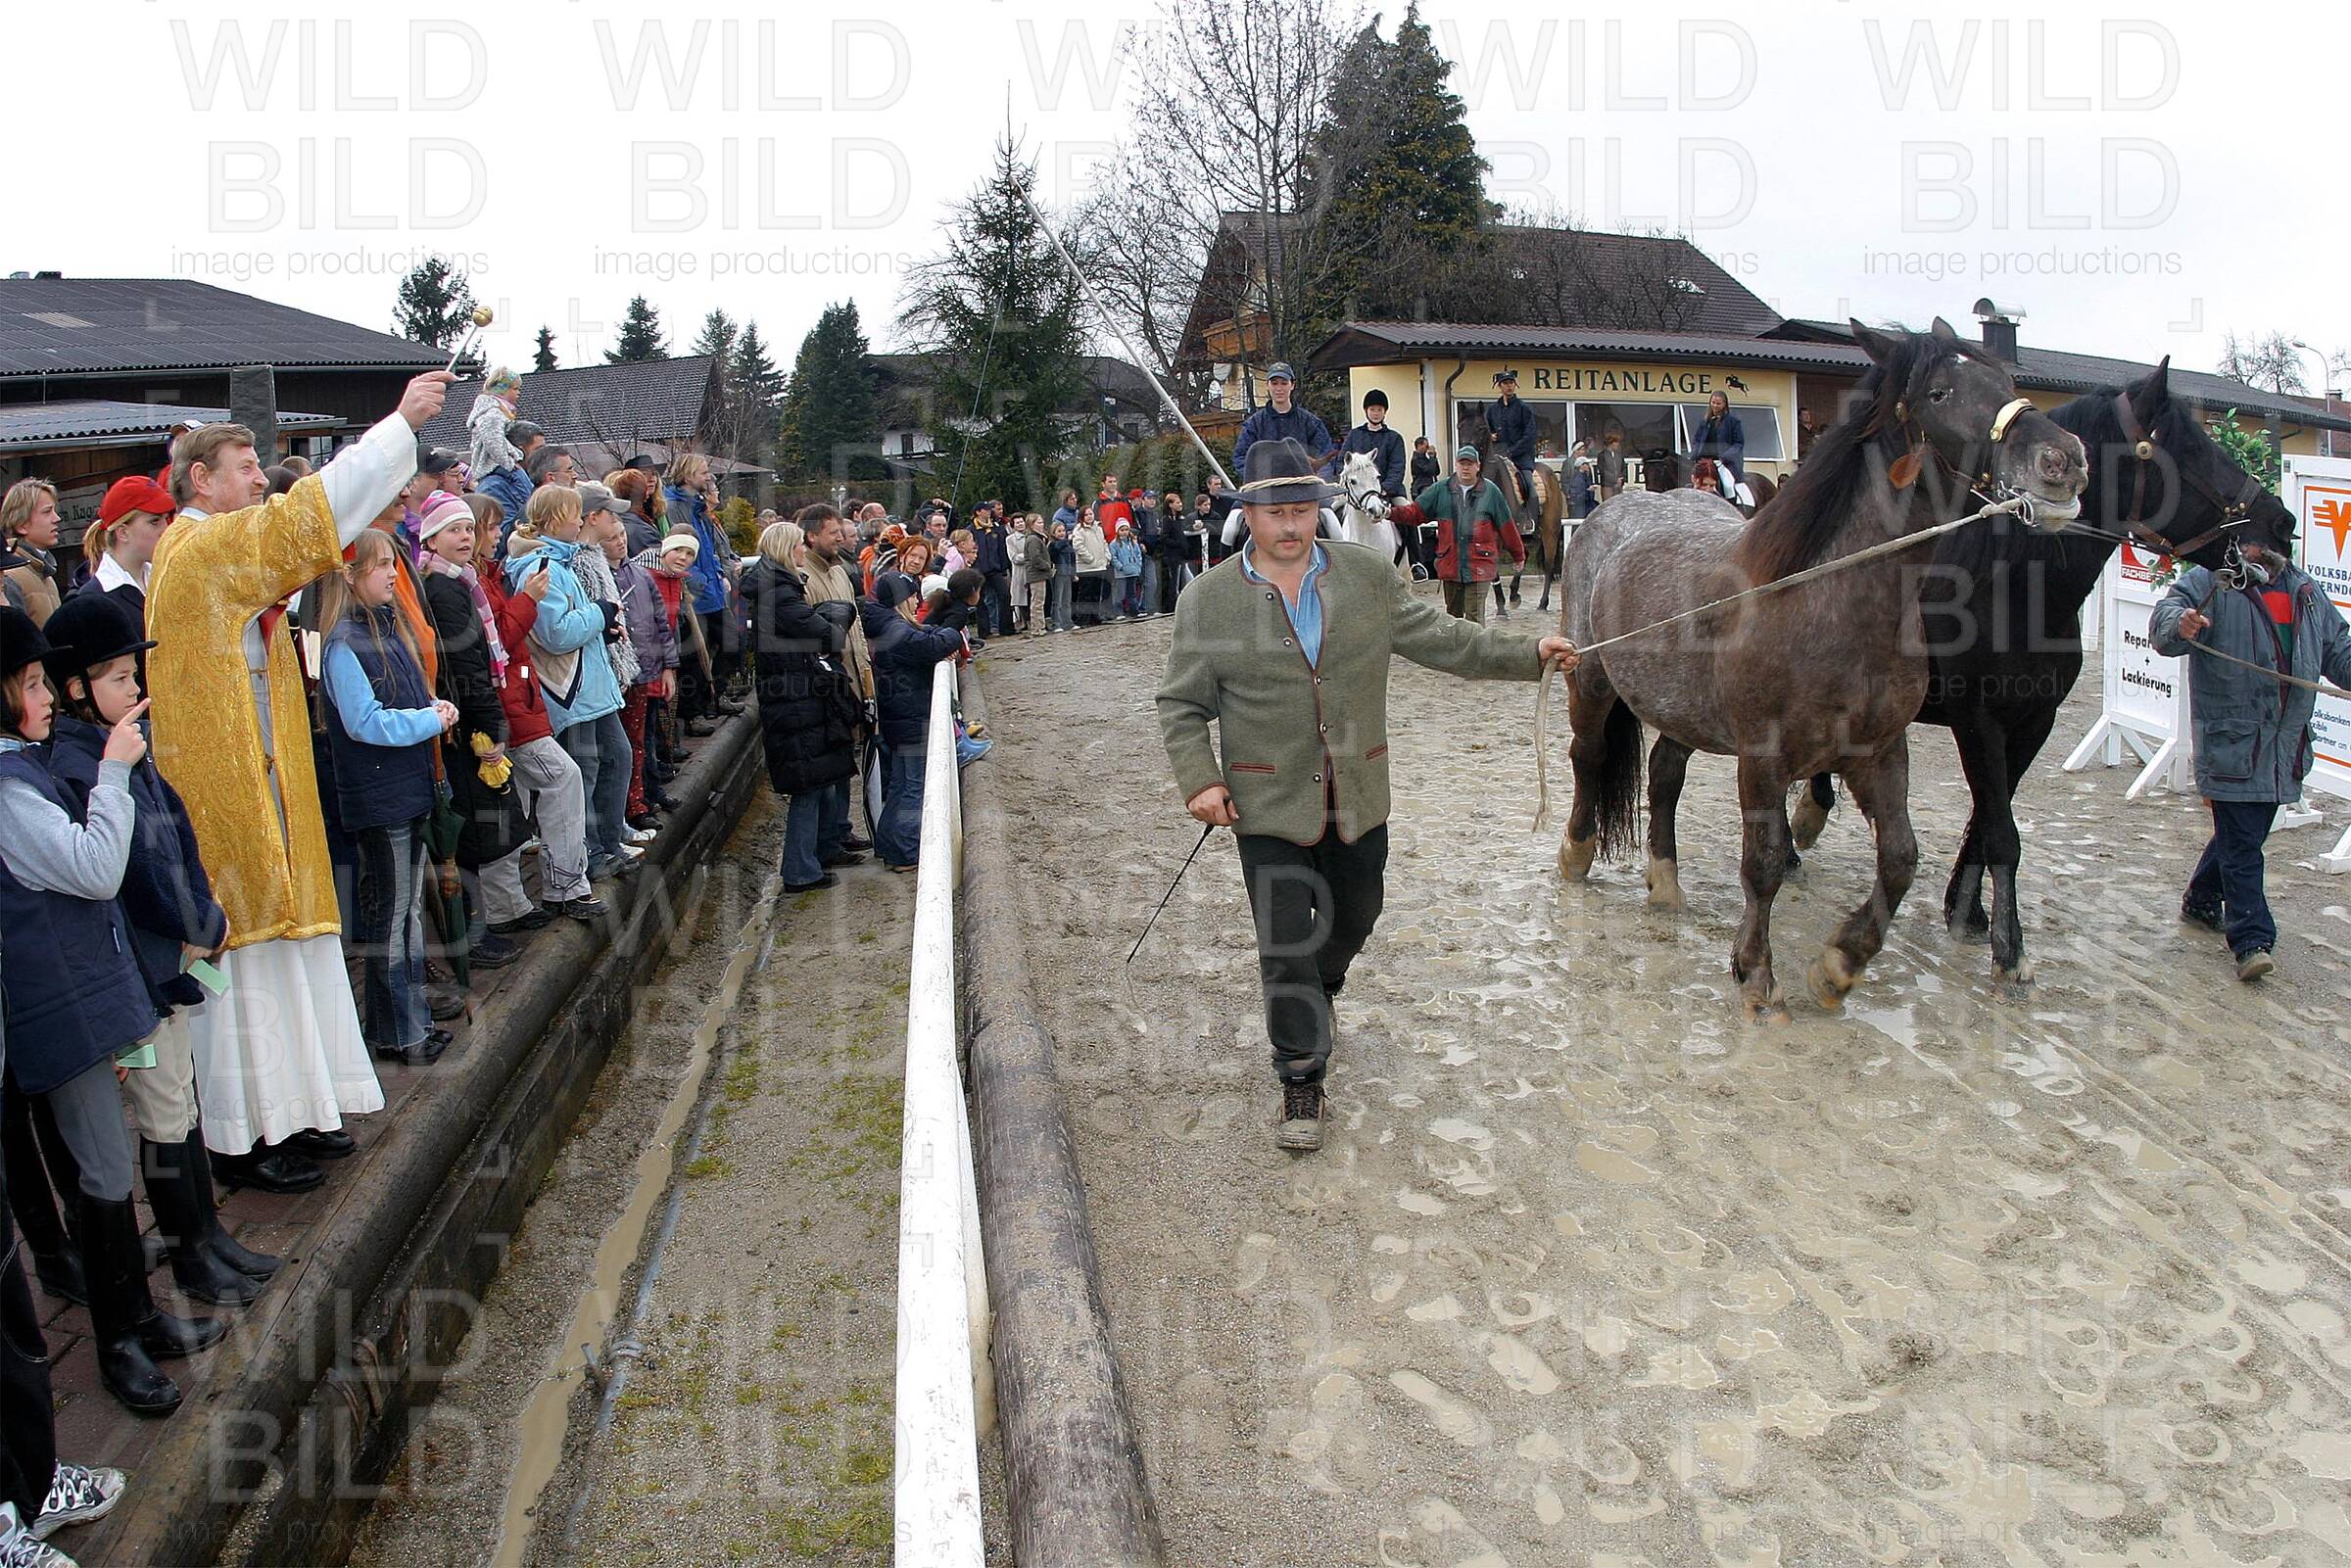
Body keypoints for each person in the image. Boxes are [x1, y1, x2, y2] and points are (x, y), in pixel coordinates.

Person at [1155, 439, 1578, 1152]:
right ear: (1248, 516)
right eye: (1275, 513)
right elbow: (1180, 704)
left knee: (1356, 915)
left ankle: (1322, 986)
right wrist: (1201, 778)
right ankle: (1301, 1076)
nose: (1290, 525)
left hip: (1357, 791)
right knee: (1285, 946)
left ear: (1317, 510)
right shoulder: (1207, 599)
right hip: (1265, 804)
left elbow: (1443, 638)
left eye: (1301, 510)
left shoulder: (1367, 574)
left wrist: (1525, 653)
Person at [147, 376, 450, 1196]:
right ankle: (245, 1136)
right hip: (235, 809)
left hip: (272, 793)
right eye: (245, 467)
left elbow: (309, 530)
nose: (260, 479)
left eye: (259, 465)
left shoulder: (216, 549)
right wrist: (399, 425)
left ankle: (303, 1108)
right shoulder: (197, 549)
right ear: (200, 479)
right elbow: (306, 518)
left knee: (295, 957)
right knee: (249, 975)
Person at [0, 606, 227, 1415]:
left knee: (104, 1166)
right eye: (31, 684)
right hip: (58, 1008)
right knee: (100, 1169)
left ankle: (135, 1317)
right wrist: (114, 774)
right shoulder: (12, 787)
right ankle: (118, 1340)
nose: (44, 697)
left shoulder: (27, 767)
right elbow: (97, 869)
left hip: (84, 994)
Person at [39, 594, 282, 1314]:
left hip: (170, 953)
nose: (134, 689)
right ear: (76, 687)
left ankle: (206, 1237)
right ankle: (191, 1253)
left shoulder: (119, 744)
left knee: (181, 1096)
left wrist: (204, 915)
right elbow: (136, 869)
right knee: (163, 1107)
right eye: (118, 678)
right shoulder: (84, 765)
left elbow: (175, 835)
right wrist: (196, 920)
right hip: (142, 966)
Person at [2151, 540, 2351, 980]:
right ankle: (2251, 940)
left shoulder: (2306, 591)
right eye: (2248, 541)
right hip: (2230, 745)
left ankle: (2202, 899)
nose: (2253, 550)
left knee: (2244, 834)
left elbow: (2339, 651)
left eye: (2263, 541)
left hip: (2284, 748)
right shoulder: (2211, 581)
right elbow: (2165, 623)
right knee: (2242, 843)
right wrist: (2180, 624)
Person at [315, 530, 460, 1068]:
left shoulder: (384, 627)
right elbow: (365, 722)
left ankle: (409, 1021)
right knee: (392, 916)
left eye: (394, 565)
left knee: (406, 915)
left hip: (405, 790)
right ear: (351, 575)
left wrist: (434, 706)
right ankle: (398, 1031)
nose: (393, 575)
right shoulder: (343, 643)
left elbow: (404, 697)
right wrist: (429, 720)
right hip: (381, 797)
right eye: (381, 566)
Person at [468, 496, 603, 930]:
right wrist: (529, 600)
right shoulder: (479, 581)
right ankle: (565, 886)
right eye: (488, 528)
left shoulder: (487, 576)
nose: (495, 535)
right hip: (506, 707)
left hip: (516, 701)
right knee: (562, 779)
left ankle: (513, 904)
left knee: (514, 801)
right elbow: (498, 644)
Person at [415, 494, 527, 966]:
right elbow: (466, 667)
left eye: (467, 529)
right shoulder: (446, 590)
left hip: (462, 718)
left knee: (474, 831)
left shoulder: (458, 583)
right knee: (468, 834)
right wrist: (493, 725)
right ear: (431, 539)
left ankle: (477, 931)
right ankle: (472, 938)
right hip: (460, 727)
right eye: (453, 530)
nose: (465, 537)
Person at [507, 487, 636, 882]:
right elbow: (556, 634)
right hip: (569, 689)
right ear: (555, 518)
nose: (580, 521)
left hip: (589, 687)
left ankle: (608, 844)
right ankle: (590, 854)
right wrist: (599, 614)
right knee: (588, 768)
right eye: (574, 514)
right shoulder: (540, 566)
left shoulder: (562, 562)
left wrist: (601, 631)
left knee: (616, 758)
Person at [744, 518, 862, 893]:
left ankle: (819, 854)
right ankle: (799, 871)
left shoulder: (775, 589)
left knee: (818, 779)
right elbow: (825, 634)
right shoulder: (780, 594)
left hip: (795, 693)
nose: (802, 550)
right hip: (794, 698)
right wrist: (836, 615)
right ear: (786, 549)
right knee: (808, 785)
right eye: (798, 544)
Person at [858, 576, 969, 873]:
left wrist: (941, 637)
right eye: (911, 596)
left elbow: (927, 636)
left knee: (901, 784)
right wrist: (952, 635)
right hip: (909, 718)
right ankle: (906, 851)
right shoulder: (896, 630)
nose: (916, 601)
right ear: (899, 600)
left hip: (899, 717)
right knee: (913, 785)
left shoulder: (889, 626)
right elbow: (931, 645)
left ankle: (890, 846)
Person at [662, 454, 741, 725]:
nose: (709, 477)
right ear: (687, 475)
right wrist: (699, 581)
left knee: (732, 642)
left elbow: (708, 546)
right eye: (704, 472)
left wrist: (717, 572)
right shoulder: (675, 506)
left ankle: (715, 695)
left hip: (712, 590)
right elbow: (679, 547)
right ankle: (697, 710)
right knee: (695, 656)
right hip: (696, 594)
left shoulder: (698, 507)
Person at [1414, 445, 1522, 624]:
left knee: (1474, 617)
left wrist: (1518, 555)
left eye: (1470, 464)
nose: (1465, 468)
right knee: (1452, 617)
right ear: (1456, 465)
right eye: (1462, 463)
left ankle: (1529, 516)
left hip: (1479, 566)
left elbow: (1507, 527)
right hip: (1451, 565)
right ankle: (1415, 564)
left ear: (1478, 466)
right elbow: (1415, 512)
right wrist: (1389, 513)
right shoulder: (1441, 489)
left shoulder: (1491, 491)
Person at [79, 476, 175, 619]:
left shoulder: (167, 580)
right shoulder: (93, 600)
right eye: (154, 521)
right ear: (123, 532)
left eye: (166, 519)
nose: (166, 529)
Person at [1231, 362, 1332, 478]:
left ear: (1292, 385)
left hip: (1304, 486)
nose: (1279, 389)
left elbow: (1325, 457)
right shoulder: (1254, 424)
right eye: (1274, 383)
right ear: (1267, 385)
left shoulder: (1310, 422)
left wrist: (1320, 481)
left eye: (1284, 383)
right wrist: (1258, 479)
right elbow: (1241, 458)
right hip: (1266, 487)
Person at [0, 481, 64, 627]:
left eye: (54, 511)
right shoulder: (10, 577)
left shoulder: (46, 576)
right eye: (47, 512)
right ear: (21, 525)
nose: (57, 518)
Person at [1337, 390, 1408, 501]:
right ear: (1366, 410)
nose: (1376, 413)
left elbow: (1397, 468)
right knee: (1333, 508)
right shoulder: (1354, 435)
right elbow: (1342, 462)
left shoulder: (1394, 438)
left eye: (1379, 410)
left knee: (1404, 507)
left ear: (1385, 411)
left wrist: (1383, 489)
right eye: (1372, 409)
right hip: (1357, 492)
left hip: (1388, 493)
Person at [475, 420, 542, 534]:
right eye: (538, 450)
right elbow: (502, 536)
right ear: (519, 451)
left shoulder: (531, 479)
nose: (543, 455)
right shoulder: (492, 488)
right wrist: (540, 498)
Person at [1484, 370, 1538, 481]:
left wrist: (1512, 451)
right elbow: (1486, 430)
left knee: (1529, 485)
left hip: (1521, 458)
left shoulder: (1524, 408)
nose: (1509, 386)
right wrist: (1490, 436)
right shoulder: (1492, 410)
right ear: (1500, 386)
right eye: (1505, 383)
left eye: (1511, 383)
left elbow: (1530, 435)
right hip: (1498, 457)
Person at [971, 505, 1012, 639]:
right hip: (978, 570)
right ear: (978, 512)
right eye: (985, 509)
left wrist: (1004, 567)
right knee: (979, 599)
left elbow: (1002, 549)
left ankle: (1006, 628)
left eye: (989, 509)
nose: (989, 512)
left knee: (1005, 594)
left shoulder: (996, 528)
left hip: (995, 569)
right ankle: (984, 631)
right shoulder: (971, 530)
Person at [1690, 391, 1746, 487]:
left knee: (1728, 486)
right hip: (1704, 463)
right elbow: (1697, 440)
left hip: (1725, 464)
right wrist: (1695, 454)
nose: (1715, 406)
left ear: (1724, 404)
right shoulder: (1705, 421)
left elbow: (1738, 444)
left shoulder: (1733, 421)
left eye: (1718, 403)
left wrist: (1725, 457)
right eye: (1713, 403)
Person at [1072, 506, 1112, 627]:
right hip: (1086, 568)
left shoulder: (1098, 528)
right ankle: (1083, 619)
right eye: (1086, 515)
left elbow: (1104, 543)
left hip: (1100, 566)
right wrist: (1090, 559)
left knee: (1096, 594)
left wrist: (1107, 556)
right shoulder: (1079, 530)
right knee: (1085, 594)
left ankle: (1095, 617)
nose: (1089, 516)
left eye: (1091, 514)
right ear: (1082, 517)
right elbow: (1078, 546)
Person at [1047, 519, 1076, 632]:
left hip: (1067, 574)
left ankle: (1067, 622)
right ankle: (1057, 623)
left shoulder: (1068, 545)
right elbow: (1056, 550)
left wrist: (1073, 573)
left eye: (1063, 531)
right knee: (1057, 600)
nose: (1062, 533)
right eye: (1059, 531)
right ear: (1053, 533)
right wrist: (1067, 540)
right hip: (1058, 574)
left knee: (1067, 600)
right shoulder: (1053, 545)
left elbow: (1072, 560)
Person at [1111, 522, 1145, 618]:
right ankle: (1118, 613)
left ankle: (1134, 611)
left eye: (1126, 530)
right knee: (1120, 594)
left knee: (1132, 593)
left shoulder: (1133, 543)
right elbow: (1113, 557)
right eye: (1122, 530)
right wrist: (1120, 567)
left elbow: (1138, 554)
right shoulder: (1114, 544)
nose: (1124, 532)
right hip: (1121, 573)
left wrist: (1138, 566)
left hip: (1133, 571)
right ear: (1117, 531)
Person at [1596, 431, 1627, 500]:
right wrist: (1615, 479)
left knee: (1618, 504)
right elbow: (1602, 471)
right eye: (1616, 442)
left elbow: (1624, 467)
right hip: (1607, 486)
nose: (1618, 444)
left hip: (1618, 485)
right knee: (1608, 504)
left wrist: (1621, 479)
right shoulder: (1602, 455)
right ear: (1610, 443)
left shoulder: (1619, 454)